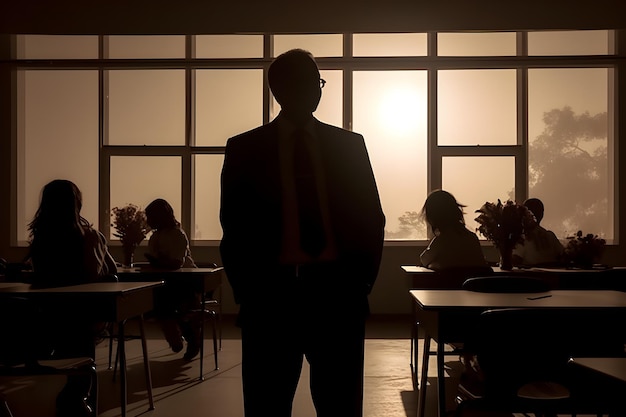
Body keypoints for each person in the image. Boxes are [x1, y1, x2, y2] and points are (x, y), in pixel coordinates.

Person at [220, 48, 385, 417]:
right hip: (270, 298)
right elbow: (234, 226)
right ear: (280, 89)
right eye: (314, 81)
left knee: (341, 405)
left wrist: (360, 287)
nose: (318, 90)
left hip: (337, 295)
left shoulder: (349, 146)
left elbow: (371, 219)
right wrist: (248, 292)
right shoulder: (245, 148)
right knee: (267, 404)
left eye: (319, 81)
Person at [27, 179, 117, 417]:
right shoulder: (88, 237)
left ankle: (74, 395)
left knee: (68, 323)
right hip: (81, 316)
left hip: (45, 317)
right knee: (82, 324)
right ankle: (78, 396)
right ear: (76, 203)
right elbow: (97, 274)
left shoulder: (40, 239)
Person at [144, 198, 202, 360]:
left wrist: (158, 262)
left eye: (151, 217)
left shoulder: (177, 234)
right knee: (160, 299)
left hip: (187, 282)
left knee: (168, 302)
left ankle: (189, 337)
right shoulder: (155, 237)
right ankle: (179, 335)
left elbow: (177, 263)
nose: (148, 222)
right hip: (168, 281)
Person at [419, 190, 489, 271]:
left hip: (450, 283)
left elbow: (424, 260)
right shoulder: (472, 238)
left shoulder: (441, 241)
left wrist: (433, 265)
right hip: (472, 283)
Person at [512, 197, 564, 267]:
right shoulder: (551, 237)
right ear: (542, 214)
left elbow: (514, 261)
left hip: (530, 277)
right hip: (552, 277)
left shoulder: (522, 239)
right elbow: (563, 257)